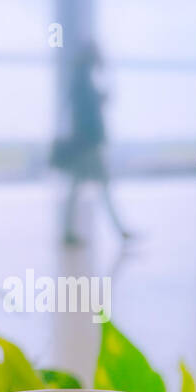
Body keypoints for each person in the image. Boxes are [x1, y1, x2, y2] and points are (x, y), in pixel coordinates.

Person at [55, 42, 131, 247]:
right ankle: (119, 231)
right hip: (88, 145)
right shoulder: (83, 82)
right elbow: (86, 114)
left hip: (85, 144)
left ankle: (71, 232)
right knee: (98, 187)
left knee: (80, 187)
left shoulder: (82, 80)